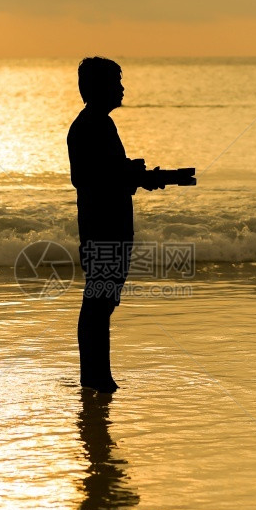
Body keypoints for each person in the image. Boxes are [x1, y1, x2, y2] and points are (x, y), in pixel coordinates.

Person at [67, 57, 164, 393]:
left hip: (106, 226)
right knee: (99, 302)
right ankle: (95, 378)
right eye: (116, 83)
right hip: (102, 228)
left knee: (102, 302)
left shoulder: (96, 124)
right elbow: (87, 178)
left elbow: (107, 172)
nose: (122, 89)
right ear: (99, 88)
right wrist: (134, 175)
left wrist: (137, 175)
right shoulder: (92, 125)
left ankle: (97, 376)